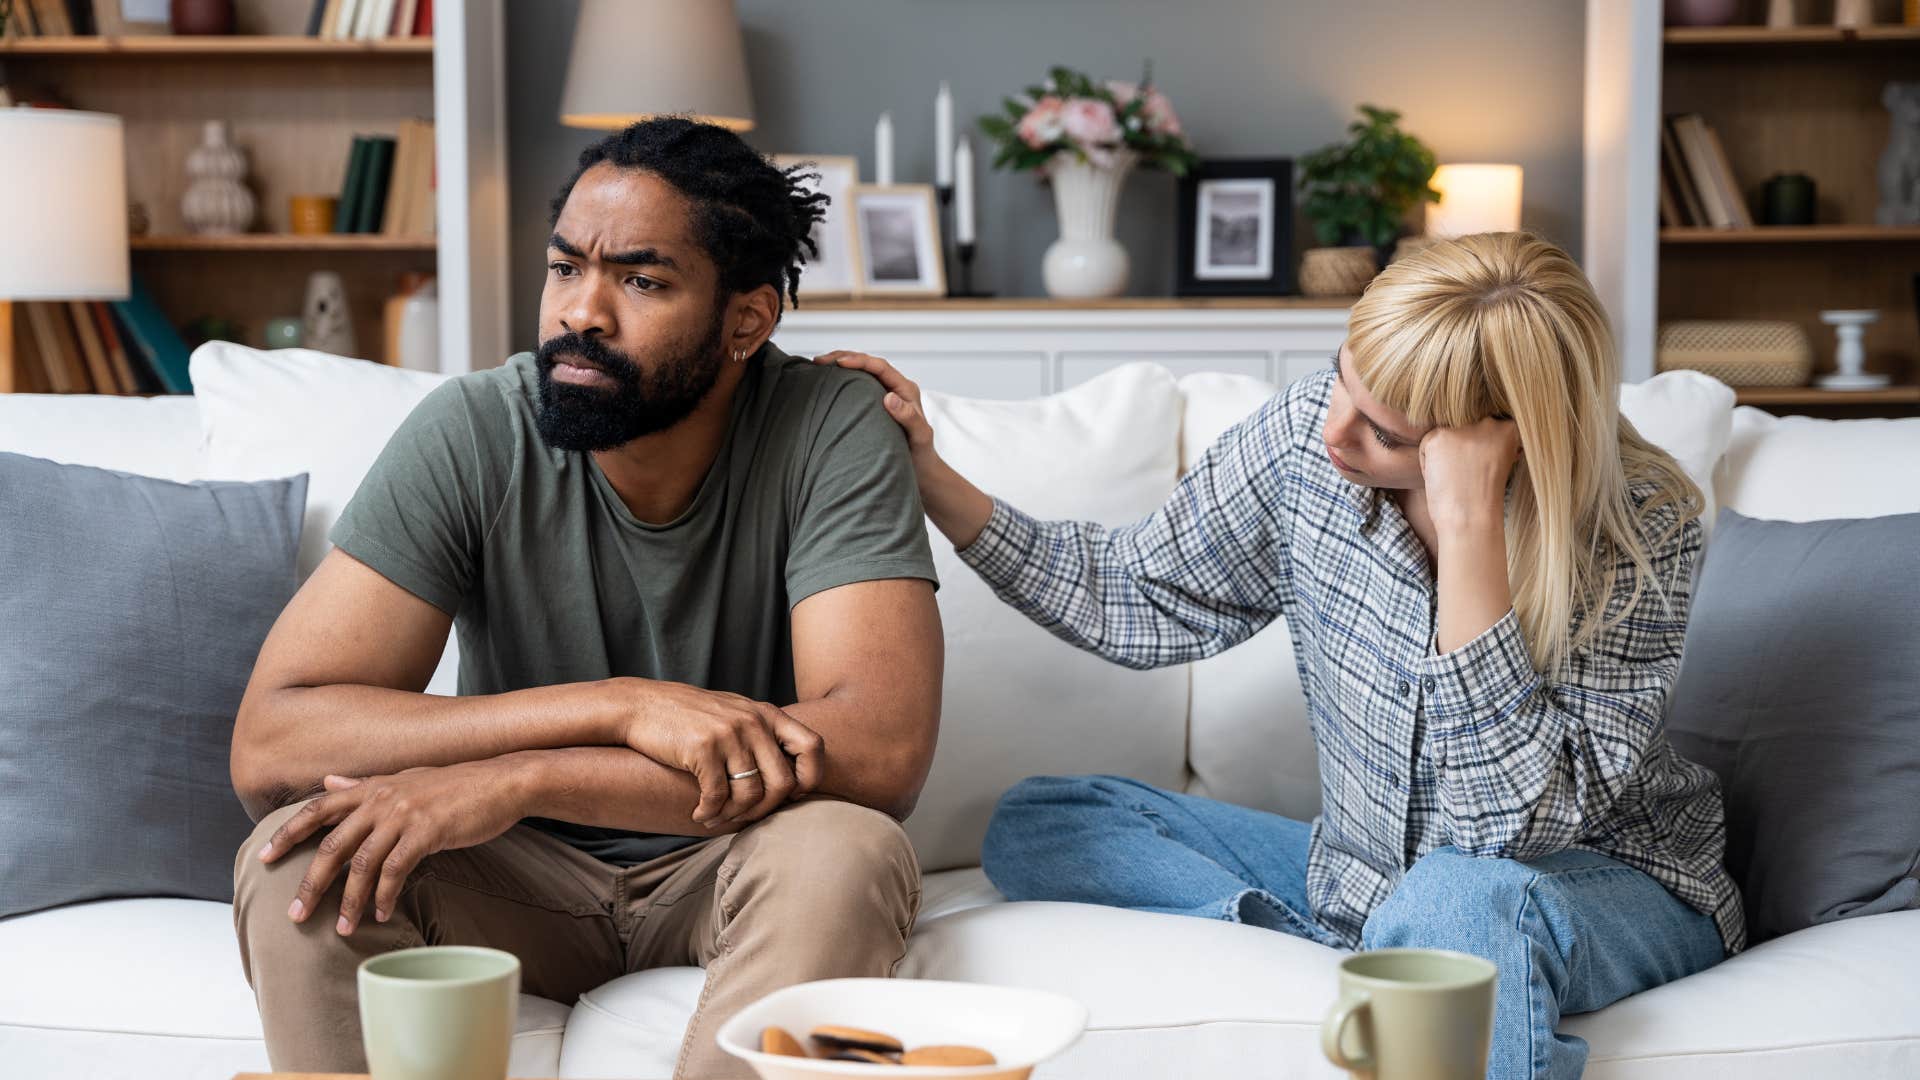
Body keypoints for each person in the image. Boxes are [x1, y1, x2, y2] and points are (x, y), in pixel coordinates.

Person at [816, 232, 1743, 1080]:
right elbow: (1133, 595)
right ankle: (1382, 939)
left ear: (1501, 442)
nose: (1333, 429)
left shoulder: (1639, 527)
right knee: (1046, 819)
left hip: (1606, 882)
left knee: (1460, 899)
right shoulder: (1311, 438)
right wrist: (931, 475)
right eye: (1341, 376)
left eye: (1386, 434)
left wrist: (1467, 532)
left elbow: (1501, 829)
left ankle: (1411, 942)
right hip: (1364, 871)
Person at [229, 118, 943, 1080]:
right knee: (296, 850)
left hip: (725, 859)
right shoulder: (476, 429)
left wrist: (529, 776)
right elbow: (275, 742)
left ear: (747, 320)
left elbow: (881, 751)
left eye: (641, 282)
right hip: (506, 872)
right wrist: (620, 707)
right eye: (565, 269)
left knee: (844, 847)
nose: (581, 313)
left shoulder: (832, 426)